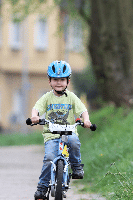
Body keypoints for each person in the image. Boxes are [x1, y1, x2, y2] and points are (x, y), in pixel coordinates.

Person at [30, 60, 92, 199]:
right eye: (55, 80)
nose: (59, 83)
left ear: (68, 81)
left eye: (62, 80)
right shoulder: (47, 97)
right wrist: (35, 117)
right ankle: (42, 187)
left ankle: (76, 167)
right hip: (51, 135)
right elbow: (36, 108)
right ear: (49, 81)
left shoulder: (71, 97)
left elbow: (83, 110)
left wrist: (86, 120)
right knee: (49, 158)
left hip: (69, 132)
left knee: (75, 142)